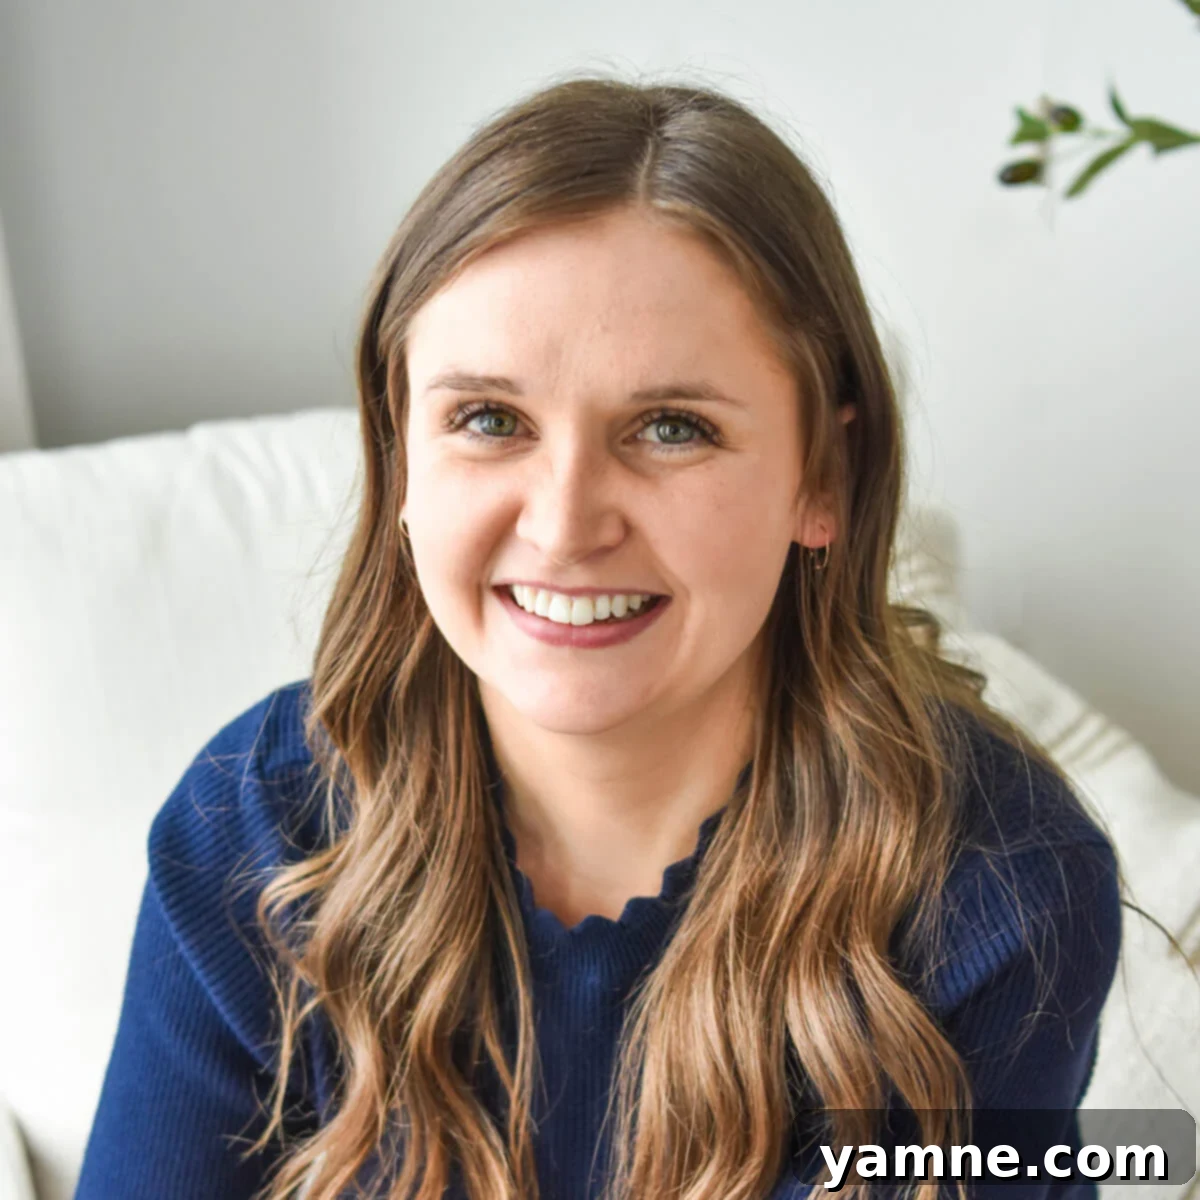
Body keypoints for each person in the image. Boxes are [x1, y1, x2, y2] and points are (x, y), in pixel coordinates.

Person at [74, 75, 1123, 1200]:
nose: (567, 524)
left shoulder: (1000, 885)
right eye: (489, 420)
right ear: (401, 462)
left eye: (671, 428)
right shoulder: (255, 826)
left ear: (826, 475)